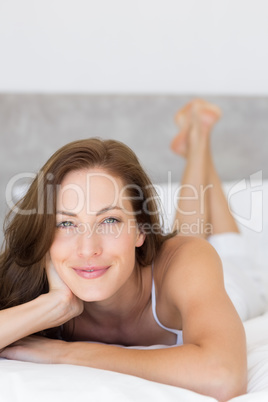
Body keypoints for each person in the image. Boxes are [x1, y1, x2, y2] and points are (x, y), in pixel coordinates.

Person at [0, 99, 249, 401]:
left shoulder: (187, 263)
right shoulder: (32, 274)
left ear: (141, 229)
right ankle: (197, 138)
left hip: (239, 277)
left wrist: (71, 353)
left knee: (217, 245)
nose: (88, 248)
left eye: (109, 220)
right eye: (66, 223)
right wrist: (52, 306)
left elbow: (223, 376)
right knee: (187, 236)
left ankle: (199, 140)